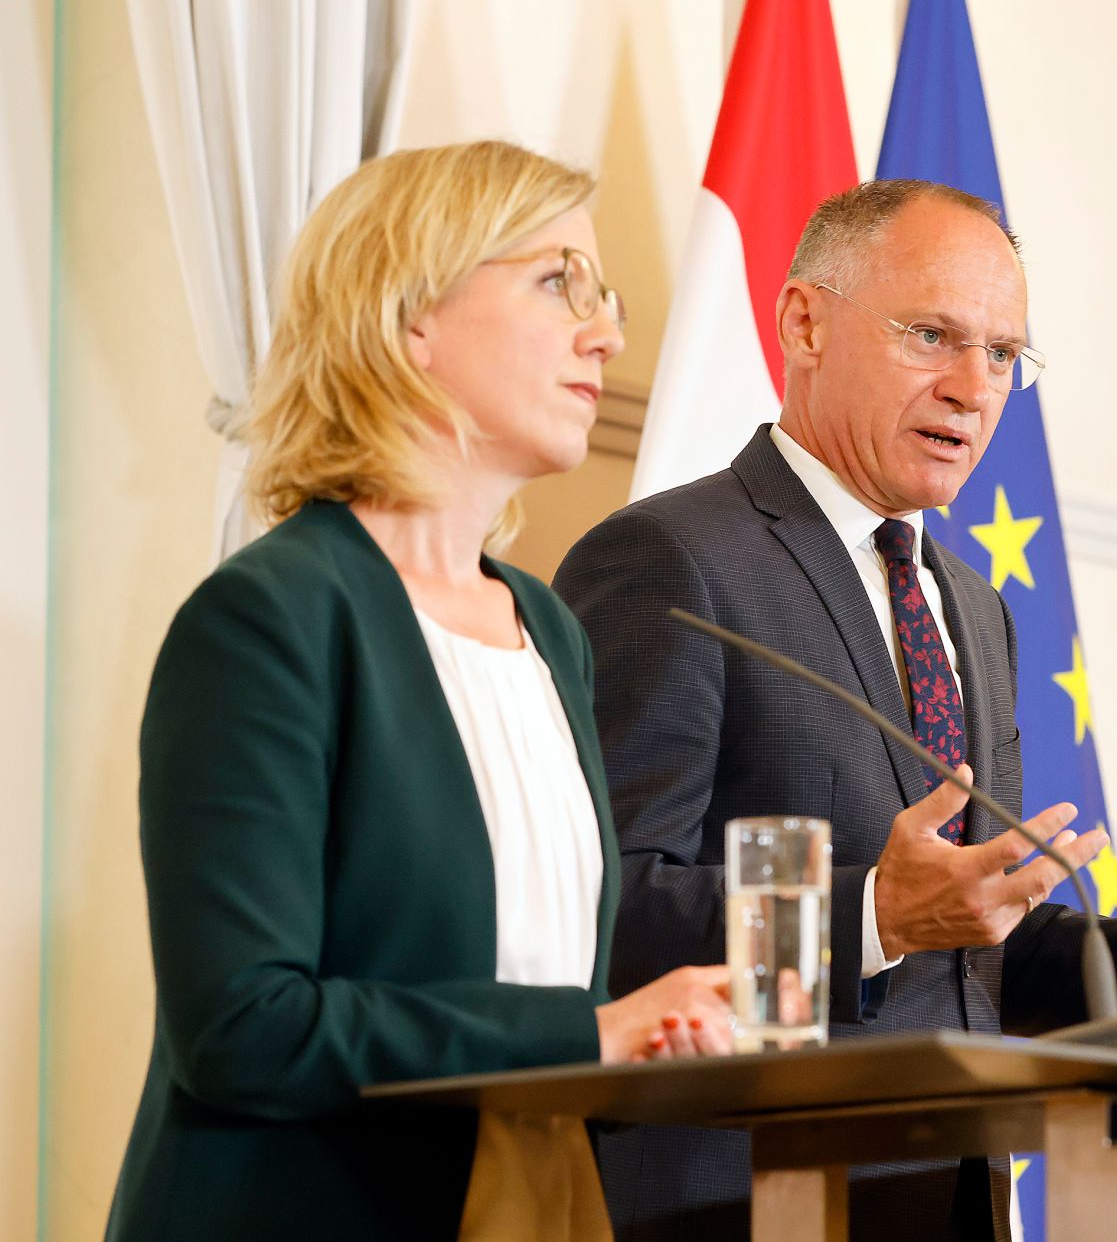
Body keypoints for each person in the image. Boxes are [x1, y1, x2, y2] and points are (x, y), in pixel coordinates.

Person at [552, 179, 1117, 1240]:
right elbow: (603, 917)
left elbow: (974, 955)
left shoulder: (969, 605)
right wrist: (870, 915)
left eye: (1004, 353)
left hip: (951, 1200)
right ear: (804, 324)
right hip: (736, 1201)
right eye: (932, 336)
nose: (973, 389)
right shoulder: (671, 561)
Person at [106, 140, 734, 1242]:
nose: (606, 334)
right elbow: (244, 1028)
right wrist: (592, 1034)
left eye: (607, 297)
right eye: (559, 282)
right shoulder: (269, 618)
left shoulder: (547, 628)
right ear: (408, 319)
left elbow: (532, 976)